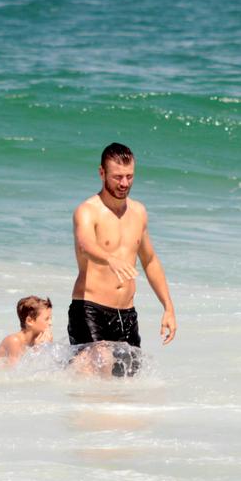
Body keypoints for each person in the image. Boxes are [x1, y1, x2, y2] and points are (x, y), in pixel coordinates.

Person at [68, 142, 176, 351]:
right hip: (90, 309)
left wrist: (168, 307)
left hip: (126, 314)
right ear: (102, 173)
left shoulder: (139, 212)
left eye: (129, 176)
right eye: (117, 177)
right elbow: (85, 245)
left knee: (128, 379)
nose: (124, 183)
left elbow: (150, 260)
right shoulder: (88, 210)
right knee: (100, 368)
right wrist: (110, 258)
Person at [0, 296, 53, 367]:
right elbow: (14, 373)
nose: (51, 323)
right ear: (30, 321)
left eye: (51, 318)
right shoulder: (14, 341)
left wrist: (46, 347)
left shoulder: (40, 340)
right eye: (47, 319)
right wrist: (36, 350)